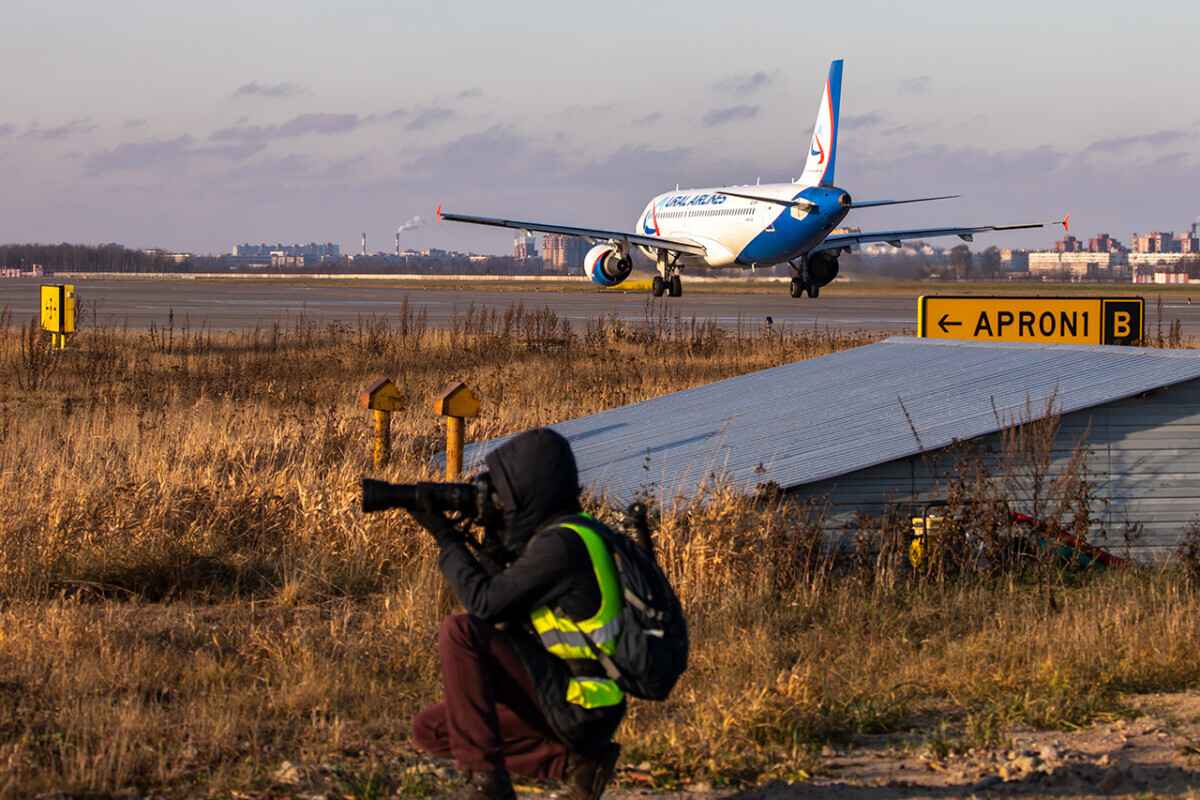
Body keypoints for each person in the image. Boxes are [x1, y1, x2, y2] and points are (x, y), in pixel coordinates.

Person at [408, 428, 626, 800]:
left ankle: (487, 781)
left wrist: (447, 538)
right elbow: (502, 609)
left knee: (460, 631)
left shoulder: (564, 544)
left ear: (531, 488)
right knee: (433, 730)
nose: (502, 501)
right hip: (563, 689)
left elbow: (484, 605)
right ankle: (575, 764)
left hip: (587, 699)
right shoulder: (551, 536)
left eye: (507, 493)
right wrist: (492, 538)